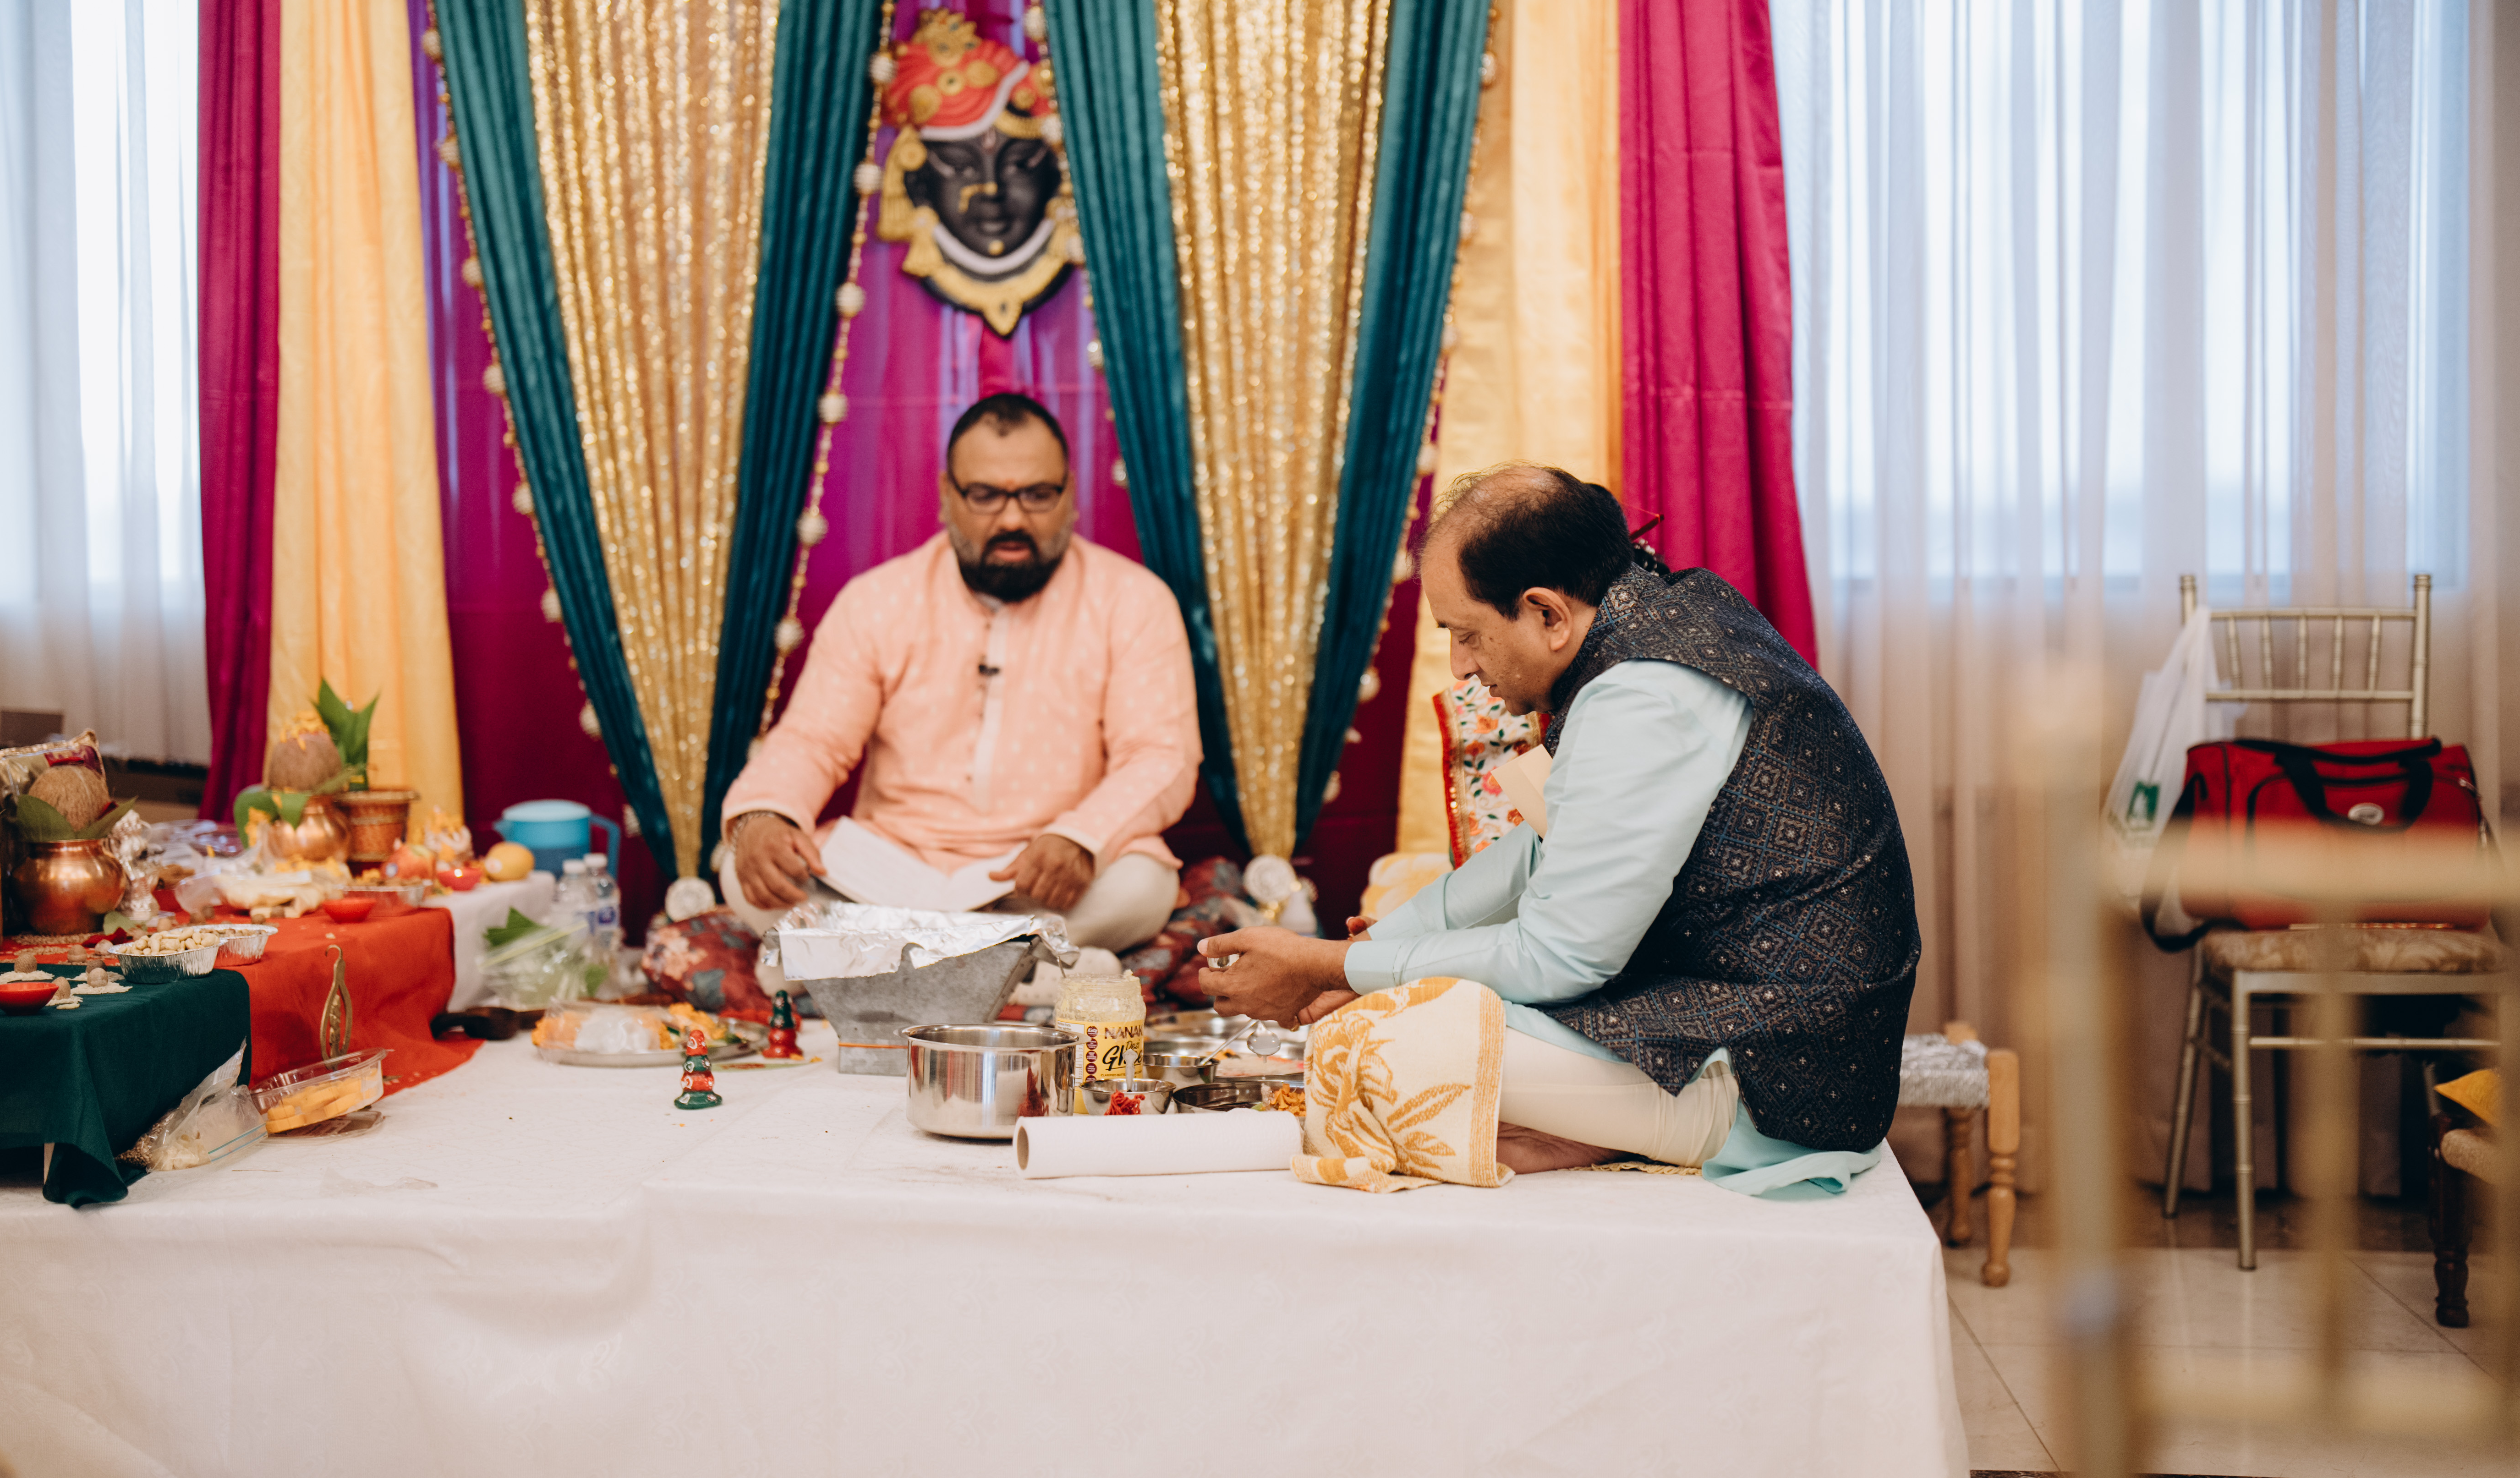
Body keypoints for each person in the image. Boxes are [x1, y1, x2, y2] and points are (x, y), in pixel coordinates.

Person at [1197, 465, 1921, 1189]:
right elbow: (1539, 852)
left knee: (1376, 1039)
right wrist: (1367, 949)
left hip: (1773, 1078)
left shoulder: (1644, 694)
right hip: (1742, 1020)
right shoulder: (1655, 619)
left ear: (1547, 613)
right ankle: (1594, 1126)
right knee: (1408, 1006)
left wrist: (1331, 967)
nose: (1460, 666)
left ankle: (1628, 1126)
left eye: (1467, 634)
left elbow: (1558, 956)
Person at [720, 393, 1202, 954]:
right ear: (948, 496)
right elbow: (814, 740)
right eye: (985, 496)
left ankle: (876, 961)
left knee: (1141, 886)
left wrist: (1080, 837)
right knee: (744, 870)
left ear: (1070, 495)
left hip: (1039, 875)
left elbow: (1159, 754)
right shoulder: (878, 600)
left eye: (1037, 495)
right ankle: (1007, 960)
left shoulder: (1132, 601)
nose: (1013, 519)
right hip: (888, 870)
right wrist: (766, 815)